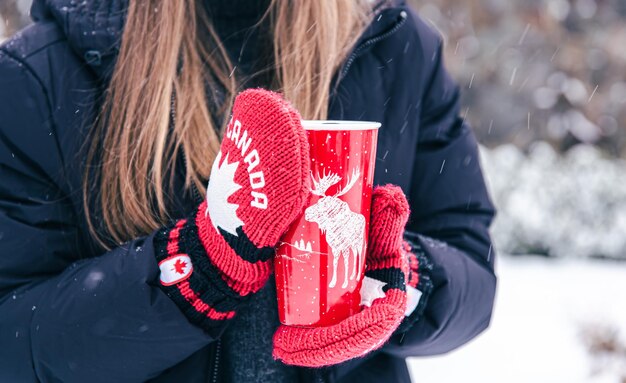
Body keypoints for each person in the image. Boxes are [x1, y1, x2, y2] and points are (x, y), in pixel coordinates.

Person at [0, 0, 497, 382]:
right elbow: (14, 339)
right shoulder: (42, 75)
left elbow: (473, 271)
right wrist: (196, 271)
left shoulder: (392, 43)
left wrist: (404, 279)